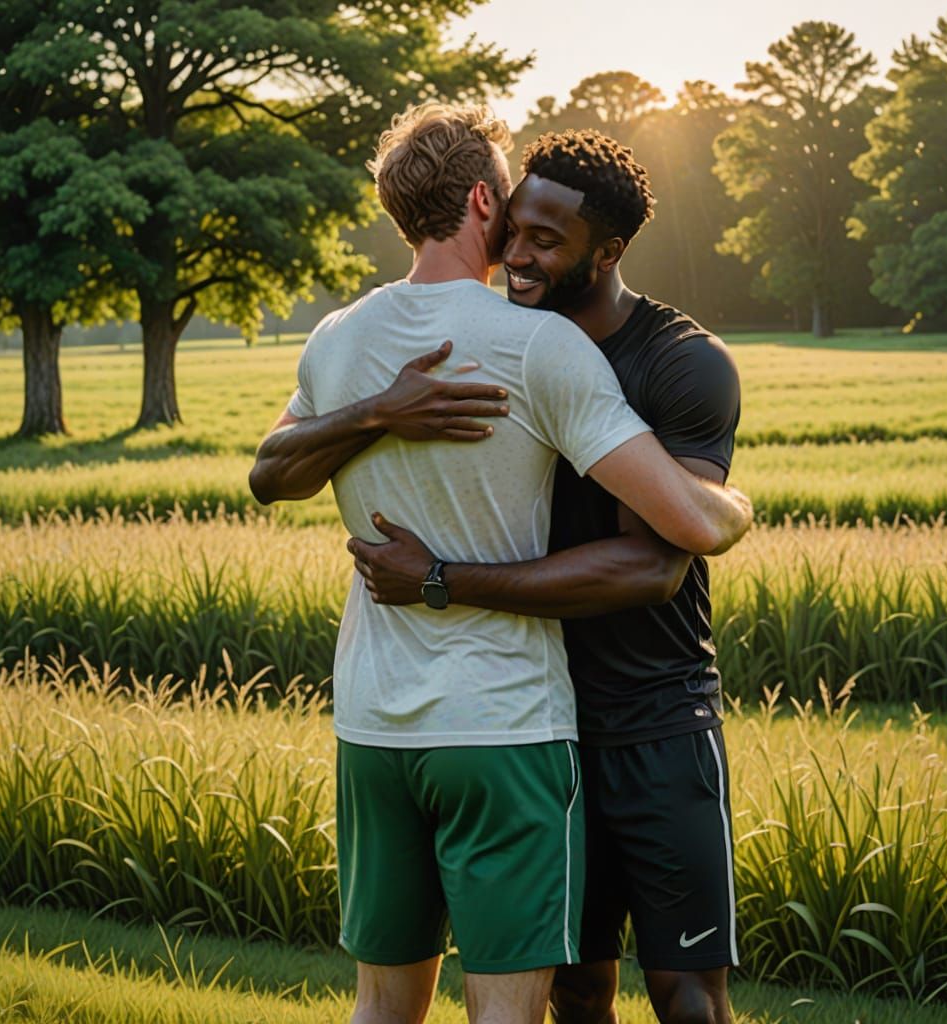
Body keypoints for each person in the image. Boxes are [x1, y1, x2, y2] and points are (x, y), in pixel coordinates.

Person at [248, 104, 752, 1024]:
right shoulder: (538, 345)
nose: (519, 249)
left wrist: (376, 419)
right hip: (506, 721)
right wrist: (737, 508)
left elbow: (268, 470)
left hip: (399, 723)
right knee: (525, 1007)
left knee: (382, 1007)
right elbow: (688, 524)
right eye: (511, 219)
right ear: (485, 198)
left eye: (543, 234)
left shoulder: (338, 339)